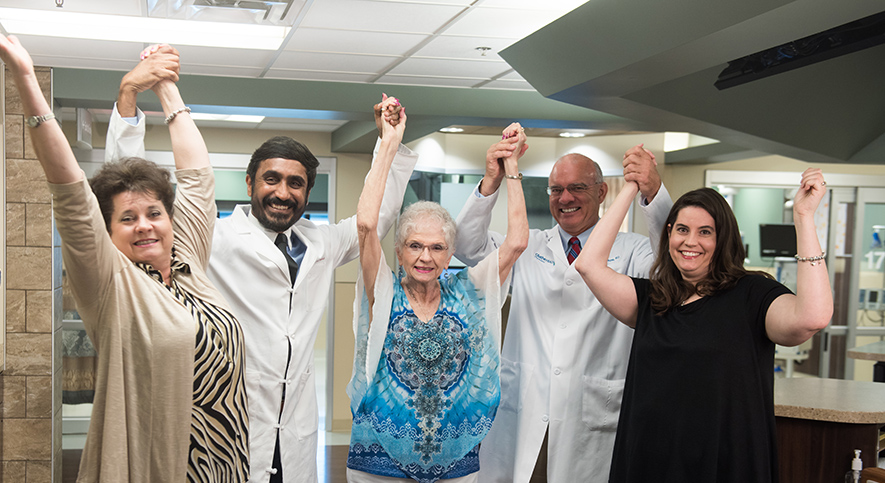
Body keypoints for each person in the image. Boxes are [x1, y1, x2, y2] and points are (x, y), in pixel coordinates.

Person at [106, 51, 419, 482]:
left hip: (295, 426)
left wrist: (392, 145)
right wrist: (127, 100)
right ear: (251, 183)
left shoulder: (321, 241)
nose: (282, 193)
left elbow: (376, 218)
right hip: (229, 421)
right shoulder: (214, 237)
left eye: (296, 183)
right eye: (272, 179)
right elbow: (132, 194)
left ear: (308, 193)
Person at [0, 38, 249, 482]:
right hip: (157, 468)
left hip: (223, 463)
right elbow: (71, 193)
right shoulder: (111, 284)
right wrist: (24, 76)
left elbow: (198, 177)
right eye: (127, 219)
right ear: (108, 233)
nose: (145, 225)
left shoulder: (188, 259)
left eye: (154, 213)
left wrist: (166, 84)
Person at [574, 156, 833, 482]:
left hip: (723, 463)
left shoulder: (752, 295)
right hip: (649, 461)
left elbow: (813, 317)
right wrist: (630, 186)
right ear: (669, 235)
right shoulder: (654, 299)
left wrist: (804, 217)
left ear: (723, 239)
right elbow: (589, 265)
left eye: (705, 232)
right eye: (681, 229)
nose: (690, 241)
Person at [453, 142, 672, 482]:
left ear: (601, 192)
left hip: (592, 417)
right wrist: (491, 180)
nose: (565, 198)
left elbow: (667, 267)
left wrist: (653, 191)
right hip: (525, 410)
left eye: (577, 188)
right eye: (556, 190)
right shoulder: (528, 245)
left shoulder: (632, 251)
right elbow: (467, 246)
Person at [346, 121, 530, 483]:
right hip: (377, 459)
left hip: (455, 458)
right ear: (399, 253)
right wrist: (388, 145)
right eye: (415, 245)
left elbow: (517, 242)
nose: (425, 257)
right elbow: (367, 226)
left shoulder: (469, 290)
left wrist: (512, 169)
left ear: (450, 256)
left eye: (437, 248)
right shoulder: (383, 291)